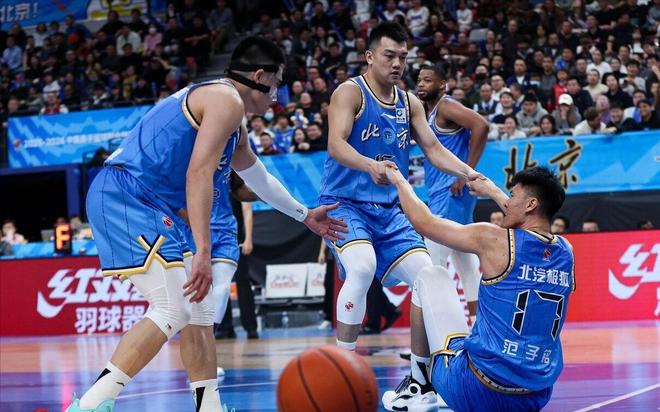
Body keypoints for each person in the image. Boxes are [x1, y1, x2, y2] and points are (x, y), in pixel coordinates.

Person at [67, 37, 345, 412]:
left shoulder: (233, 120)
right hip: (127, 195)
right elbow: (198, 173)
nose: (278, 96)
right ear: (259, 76)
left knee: (199, 309)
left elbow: (260, 180)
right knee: (172, 309)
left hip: (149, 201)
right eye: (277, 83)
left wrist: (305, 214)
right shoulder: (225, 100)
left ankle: (209, 405)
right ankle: (91, 404)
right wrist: (203, 250)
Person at [317, 22, 480, 412]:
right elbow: (336, 144)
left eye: (403, 57)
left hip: (391, 211)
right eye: (389, 55)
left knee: (431, 276)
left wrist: (469, 173)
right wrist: (369, 164)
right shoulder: (349, 92)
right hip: (345, 204)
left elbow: (434, 149)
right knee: (361, 267)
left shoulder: (411, 103)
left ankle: (420, 382)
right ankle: (342, 370)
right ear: (369, 56)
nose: (397, 63)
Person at [384, 165, 574, 412]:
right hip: (534, 397)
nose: (507, 202)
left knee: (430, 275)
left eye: (512, 196)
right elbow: (529, 225)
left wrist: (399, 180)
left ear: (530, 204)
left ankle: (418, 387)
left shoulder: (493, 239)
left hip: (477, 390)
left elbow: (424, 222)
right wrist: (492, 190)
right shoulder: (567, 252)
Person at [416, 64, 488, 329]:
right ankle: (478, 327)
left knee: (432, 264)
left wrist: (466, 172)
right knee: (464, 262)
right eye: (419, 80)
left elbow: (481, 125)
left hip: (451, 192)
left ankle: (436, 330)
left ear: (442, 84)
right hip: (444, 193)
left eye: (427, 80)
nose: (421, 84)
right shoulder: (429, 113)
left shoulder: (445, 106)